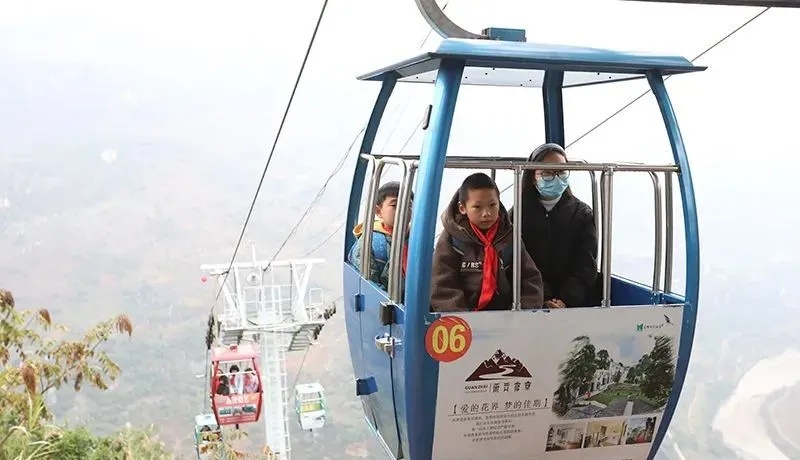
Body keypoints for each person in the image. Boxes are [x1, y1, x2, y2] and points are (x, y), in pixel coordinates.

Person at [430, 172, 544, 311]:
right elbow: (442, 285)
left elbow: (530, 278)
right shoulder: (452, 239)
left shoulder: (509, 236)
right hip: (463, 315)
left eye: (492, 205)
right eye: (477, 207)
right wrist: (461, 317)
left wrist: (524, 311)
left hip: (506, 314)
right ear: (462, 208)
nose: (486, 213)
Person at [513, 143, 598, 308]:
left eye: (562, 172)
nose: (556, 178)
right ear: (533, 176)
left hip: (574, 304)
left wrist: (566, 300)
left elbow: (587, 265)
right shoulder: (518, 214)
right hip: (530, 300)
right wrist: (543, 298)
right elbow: (518, 265)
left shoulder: (582, 214)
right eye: (548, 173)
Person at [348, 181, 412, 291]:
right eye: (395, 205)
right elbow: (370, 290)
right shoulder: (368, 244)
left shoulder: (418, 241)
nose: (404, 209)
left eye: (408, 205)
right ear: (378, 211)